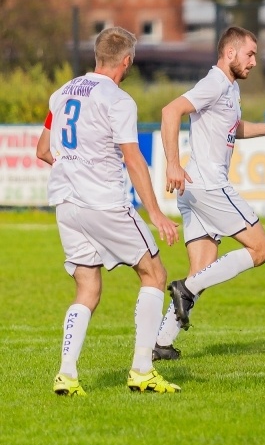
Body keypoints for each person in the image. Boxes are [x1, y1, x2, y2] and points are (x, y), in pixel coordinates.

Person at [40, 26, 182, 395]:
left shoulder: (62, 92)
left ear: (96, 55)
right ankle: (141, 371)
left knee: (87, 286)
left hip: (67, 204)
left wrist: (74, 165)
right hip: (103, 202)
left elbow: (43, 149)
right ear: (127, 60)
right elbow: (132, 158)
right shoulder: (118, 99)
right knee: (154, 273)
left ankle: (66, 375)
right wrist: (155, 212)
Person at [155, 26, 265, 360]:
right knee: (261, 250)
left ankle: (160, 343)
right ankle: (184, 290)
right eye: (250, 54)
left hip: (195, 189)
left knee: (202, 269)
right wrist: (173, 163)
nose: (255, 62)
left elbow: (234, 127)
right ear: (230, 53)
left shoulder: (228, 89)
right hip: (208, 185)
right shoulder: (214, 82)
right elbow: (169, 111)